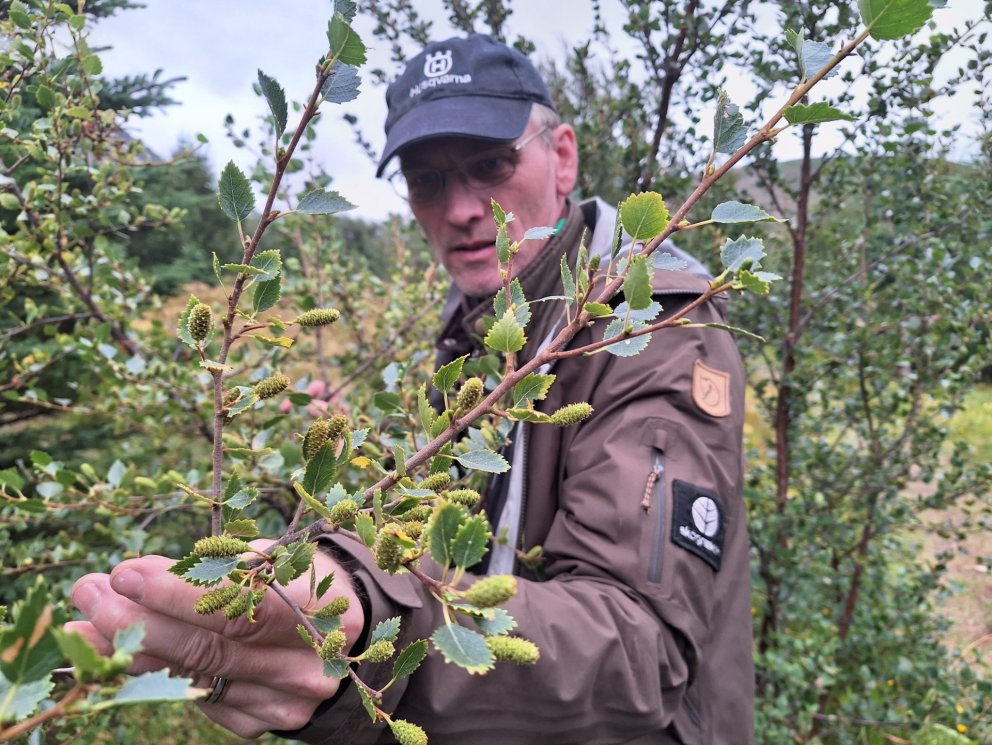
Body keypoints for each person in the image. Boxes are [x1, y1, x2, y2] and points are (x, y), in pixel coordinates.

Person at [67, 34, 754, 745]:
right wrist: (351, 467)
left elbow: (641, 651)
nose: (460, 209)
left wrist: (373, 623)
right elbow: (474, 527)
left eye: (491, 165)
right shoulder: (482, 323)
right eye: (426, 180)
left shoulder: (656, 329)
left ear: (563, 156)